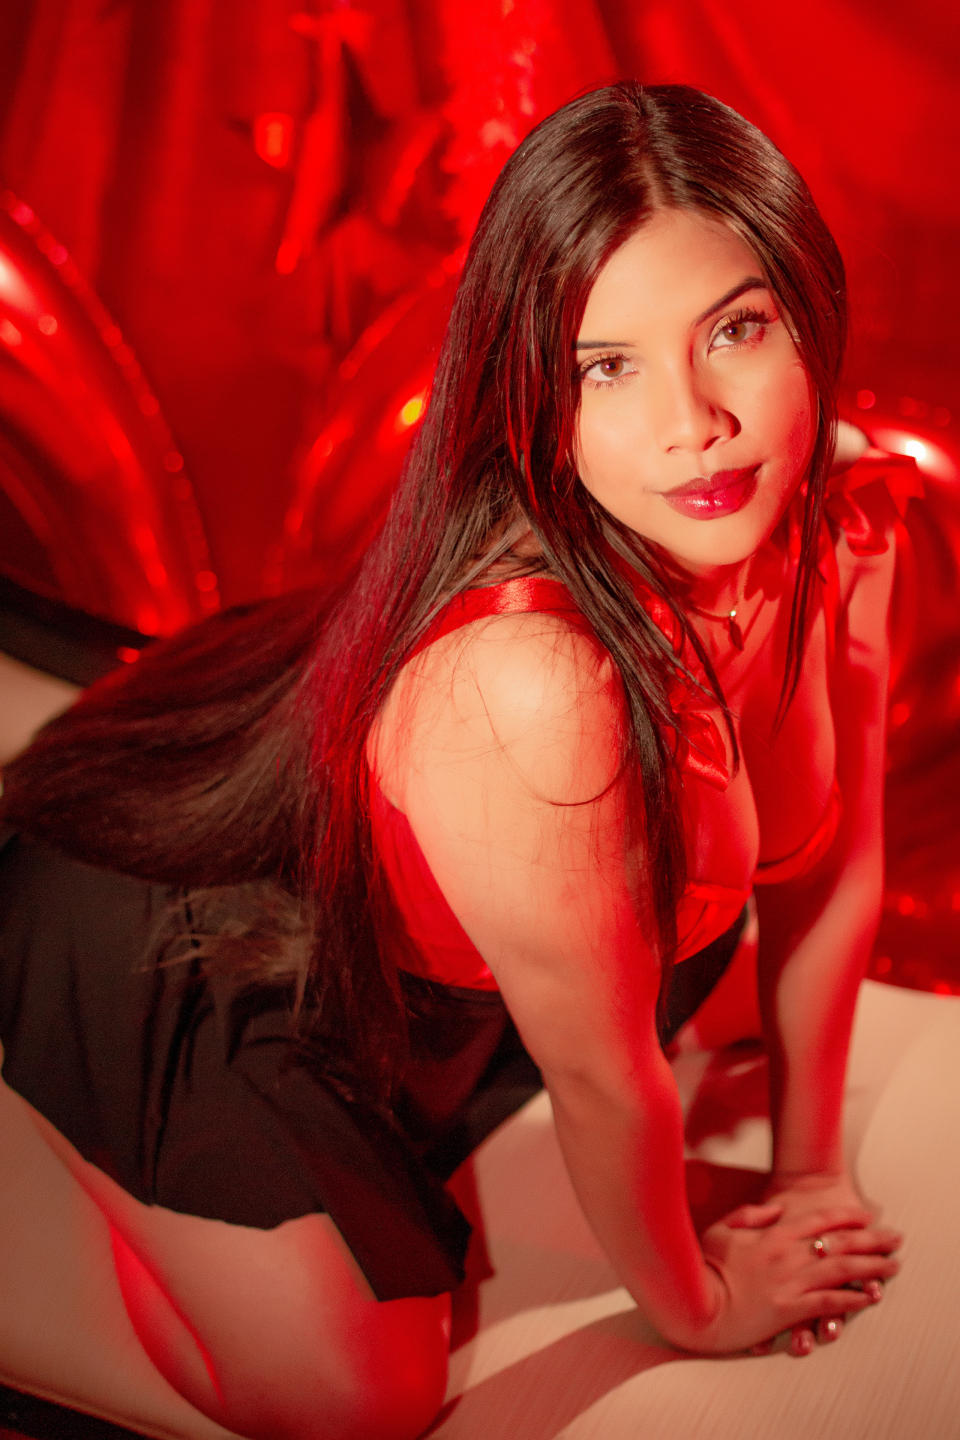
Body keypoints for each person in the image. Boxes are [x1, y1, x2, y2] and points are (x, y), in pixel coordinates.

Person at [0, 81, 913, 1440]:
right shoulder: (535, 685)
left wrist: (811, 1173)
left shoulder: (848, 526)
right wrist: (700, 1306)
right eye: (606, 367)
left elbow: (830, 870)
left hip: (461, 938)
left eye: (736, 329)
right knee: (351, 1399)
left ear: (806, 307)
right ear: (533, 392)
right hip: (228, 941)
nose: (695, 422)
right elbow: (601, 1076)